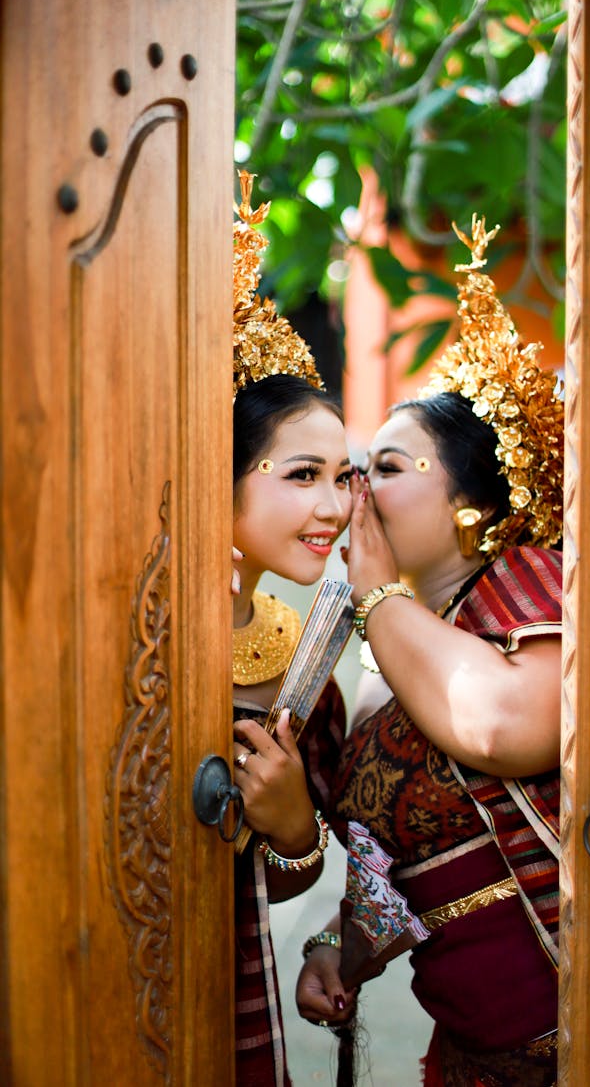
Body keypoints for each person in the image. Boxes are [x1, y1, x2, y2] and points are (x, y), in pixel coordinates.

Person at [295, 216, 564, 1087]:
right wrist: (341, 949)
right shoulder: (384, 656)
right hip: (475, 1065)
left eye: (390, 464)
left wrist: (375, 594)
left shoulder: (528, 585)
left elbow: (504, 726)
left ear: (469, 507)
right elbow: (394, 873)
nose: (359, 486)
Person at [229, 172, 352, 1086]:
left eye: (344, 478)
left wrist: (294, 823)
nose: (336, 505)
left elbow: (278, 881)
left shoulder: (299, 658)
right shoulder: (121, 636)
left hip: (228, 992)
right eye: (302, 474)